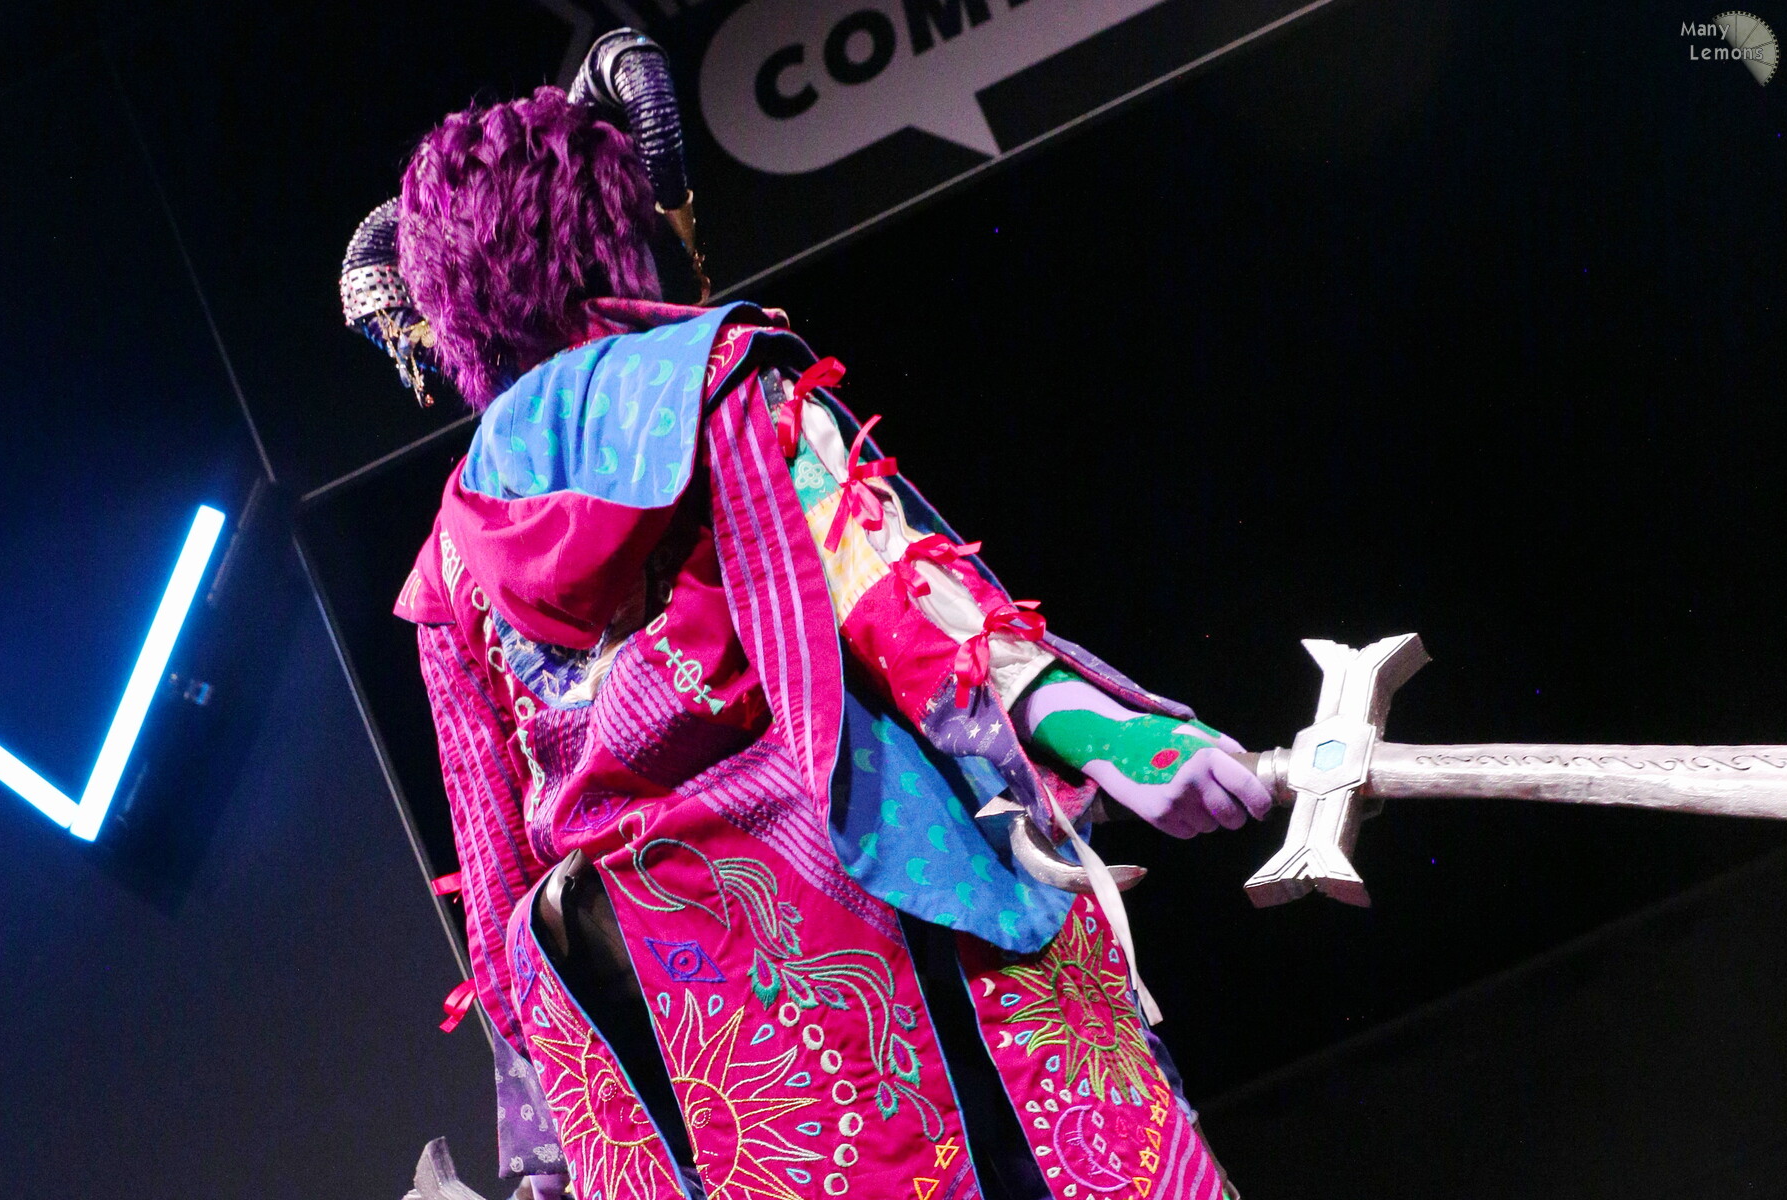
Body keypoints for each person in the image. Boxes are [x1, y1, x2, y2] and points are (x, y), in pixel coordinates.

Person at [345, 32, 1270, 1200]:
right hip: (871, 907)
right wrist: (1113, 735)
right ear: (609, 233)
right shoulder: (719, 384)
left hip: (710, 1034)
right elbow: (898, 592)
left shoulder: (448, 563)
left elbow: (497, 881)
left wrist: (545, 1155)